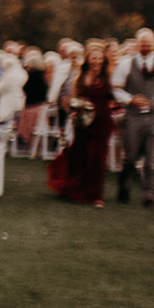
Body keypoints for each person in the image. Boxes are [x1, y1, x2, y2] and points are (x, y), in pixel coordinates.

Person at [111, 28, 154, 207]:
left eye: (149, 43)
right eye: (142, 43)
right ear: (137, 44)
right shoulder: (126, 62)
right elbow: (115, 88)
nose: (146, 46)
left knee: (152, 157)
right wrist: (130, 99)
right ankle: (124, 186)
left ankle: (149, 194)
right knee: (130, 156)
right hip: (133, 117)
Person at [46, 41, 115, 207]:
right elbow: (73, 99)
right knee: (81, 155)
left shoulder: (108, 77)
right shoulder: (80, 77)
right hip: (84, 123)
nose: (97, 61)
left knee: (97, 158)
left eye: (99, 58)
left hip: (102, 123)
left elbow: (114, 97)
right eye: (94, 58)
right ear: (88, 59)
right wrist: (75, 108)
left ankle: (96, 195)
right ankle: (78, 188)